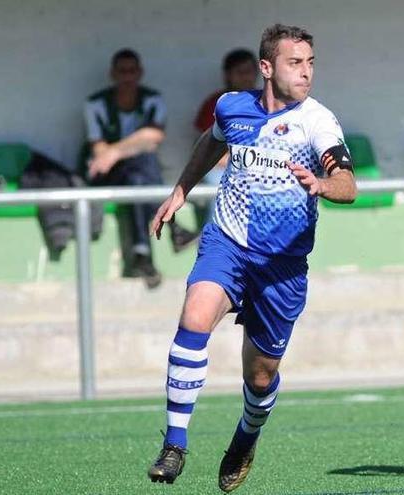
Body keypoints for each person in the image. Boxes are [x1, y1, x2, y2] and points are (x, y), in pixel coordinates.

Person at [146, 24, 356, 492]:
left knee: (260, 377)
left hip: (281, 266)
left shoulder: (317, 122)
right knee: (195, 315)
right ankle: (175, 443)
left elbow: (348, 183)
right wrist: (181, 191)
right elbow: (211, 141)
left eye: (310, 63)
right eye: (294, 63)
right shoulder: (231, 107)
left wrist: (322, 184)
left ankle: (246, 435)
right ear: (267, 68)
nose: (306, 73)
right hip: (228, 241)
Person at [83, 49, 198, 289]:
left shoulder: (152, 99)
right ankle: (173, 226)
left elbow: (154, 136)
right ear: (112, 74)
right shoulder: (95, 103)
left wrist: (117, 151)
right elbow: (99, 152)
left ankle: (142, 257)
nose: (127, 77)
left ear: (140, 73)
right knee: (144, 159)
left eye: (132, 71)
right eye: (122, 71)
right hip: (104, 174)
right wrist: (131, 146)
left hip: (137, 175)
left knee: (139, 174)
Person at [192, 49, 260, 223]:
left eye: (250, 71)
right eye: (240, 72)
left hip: (260, 167)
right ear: (227, 75)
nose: (246, 77)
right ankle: (215, 244)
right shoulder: (217, 103)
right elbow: (205, 150)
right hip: (221, 168)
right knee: (219, 187)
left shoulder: (267, 102)